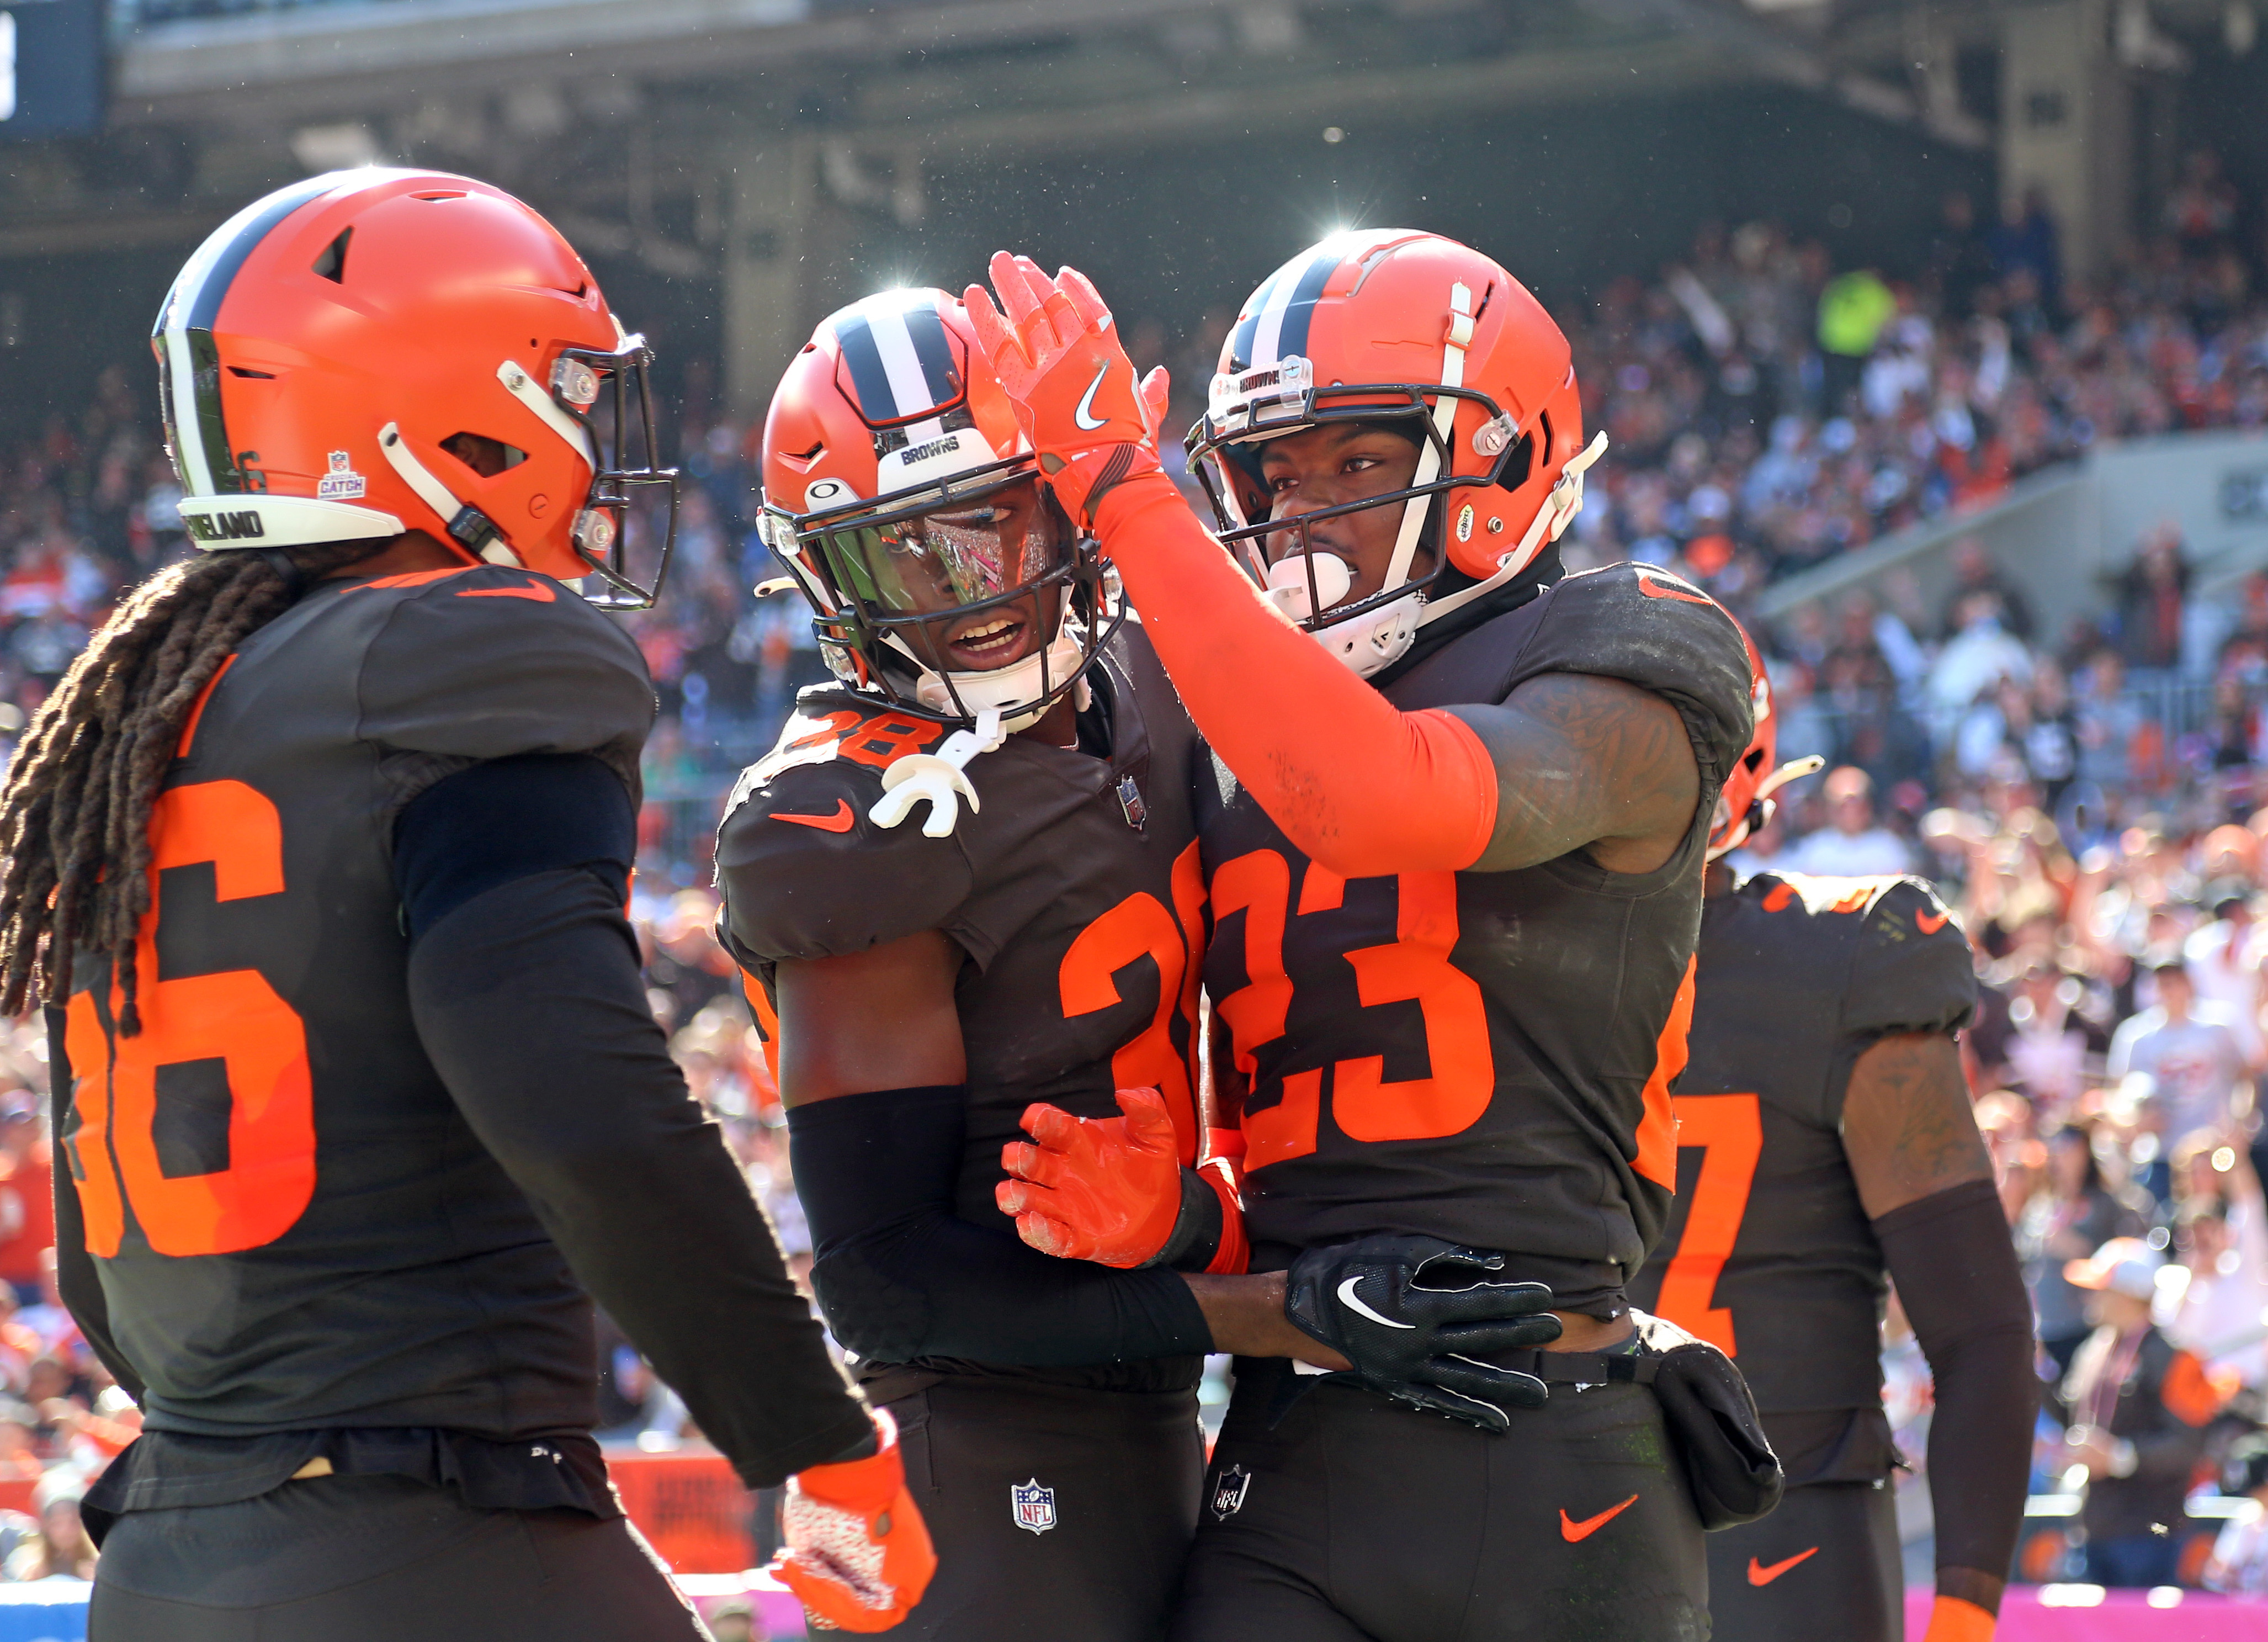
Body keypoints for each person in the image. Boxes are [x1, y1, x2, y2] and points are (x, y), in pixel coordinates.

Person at [0, 171, 931, 1641]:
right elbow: (572, 1093)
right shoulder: (466, 651)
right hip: (432, 1542)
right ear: (436, 413)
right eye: (564, 392)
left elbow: (97, 1285)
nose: (591, 437)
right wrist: (811, 1435)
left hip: (172, 1555)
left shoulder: (142, 715)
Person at [718, 286, 1544, 1642]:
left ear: (1071, 492)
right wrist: (1276, 1308)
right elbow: (885, 1277)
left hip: (1159, 1422)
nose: (969, 592)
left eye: (995, 520)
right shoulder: (842, 816)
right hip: (965, 1447)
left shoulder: (1162, 671)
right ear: (821, 573)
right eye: (901, 555)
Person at [970, 231, 1760, 1638]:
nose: (1298, 511)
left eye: (1358, 464)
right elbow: (1306, 1146)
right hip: (1300, 1442)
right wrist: (1181, 1211)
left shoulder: (1626, 654)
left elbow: (1384, 794)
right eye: (1274, 473)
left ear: (1506, 464)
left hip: (1554, 1442)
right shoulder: (1223, 703)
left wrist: (1130, 495)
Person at [1625, 634, 2035, 1642]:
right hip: (1626, 1532)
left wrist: (1963, 1621)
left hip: (1773, 1531)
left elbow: (1979, 1330)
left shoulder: (1843, 960)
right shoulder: (1837, 958)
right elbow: (1985, 1338)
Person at [2059, 1237, 2221, 1588]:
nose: (2091, 1297)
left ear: (2129, 1294)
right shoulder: (2094, 1351)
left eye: (2102, 1288)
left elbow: (2189, 1447)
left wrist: (2120, 1457)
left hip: (2149, 1535)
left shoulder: (2176, 1358)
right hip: (2092, 1529)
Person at [2020, 1123, 2148, 1377]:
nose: (2062, 1158)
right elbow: (2025, 1258)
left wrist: (2082, 1250)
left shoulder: (2105, 1205)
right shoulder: (2040, 1207)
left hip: (2086, 1322)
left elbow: (2125, 1255)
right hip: (2046, 1328)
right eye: (2057, 1151)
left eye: (2070, 1150)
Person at [2107, 956, 2249, 1149]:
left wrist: (2240, 1120)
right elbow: (2117, 1093)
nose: (2169, 990)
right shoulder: (2135, 1035)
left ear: (2189, 983)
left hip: (2213, 1150)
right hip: (2159, 1151)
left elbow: (2246, 1076)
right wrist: (2135, 1120)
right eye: (2163, 984)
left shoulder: (2219, 1027)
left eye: (2175, 982)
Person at [1783, 766, 1914, 878]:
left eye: (1856, 804)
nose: (1850, 813)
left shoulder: (1889, 849)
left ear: (1868, 806)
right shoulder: (1813, 851)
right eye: (1842, 806)